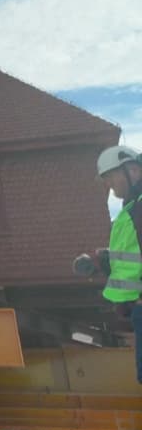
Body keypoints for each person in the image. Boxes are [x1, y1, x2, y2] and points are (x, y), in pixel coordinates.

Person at [96, 145, 142, 382]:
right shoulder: (130, 211)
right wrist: (105, 263)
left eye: (110, 178)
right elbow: (132, 262)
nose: (109, 187)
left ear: (132, 170)